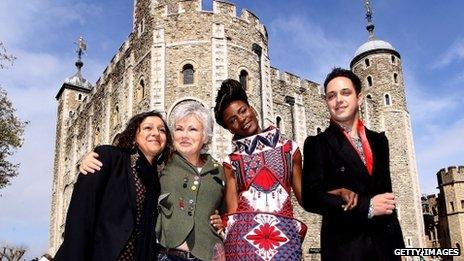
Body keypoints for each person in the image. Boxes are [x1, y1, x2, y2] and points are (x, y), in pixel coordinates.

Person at [80, 101, 225, 261]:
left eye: (193, 129)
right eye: (178, 129)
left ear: (205, 136)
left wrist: (222, 220)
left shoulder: (220, 170)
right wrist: (86, 160)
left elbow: (229, 209)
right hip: (167, 255)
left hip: (209, 256)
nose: (184, 135)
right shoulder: (161, 166)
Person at [301, 67, 405, 260]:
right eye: (331, 96)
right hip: (346, 249)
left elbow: (388, 199)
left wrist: (400, 250)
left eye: (345, 93)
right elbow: (311, 197)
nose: (338, 100)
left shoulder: (379, 141)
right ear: (326, 102)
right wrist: (367, 207)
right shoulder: (317, 144)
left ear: (359, 98)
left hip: (385, 249)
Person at [55, 111, 172, 261]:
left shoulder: (158, 180)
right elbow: (80, 214)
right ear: (134, 134)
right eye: (148, 128)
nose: (155, 133)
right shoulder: (108, 157)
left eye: (162, 130)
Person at [213, 79, 307, 260]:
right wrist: (221, 221)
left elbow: (305, 198)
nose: (242, 120)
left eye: (243, 111)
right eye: (233, 120)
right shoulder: (231, 162)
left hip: (285, 242)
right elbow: (233, 214)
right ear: (230, 129)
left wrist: (334, 192)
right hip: (243, 247)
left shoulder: (290, 149)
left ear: (252, 109)